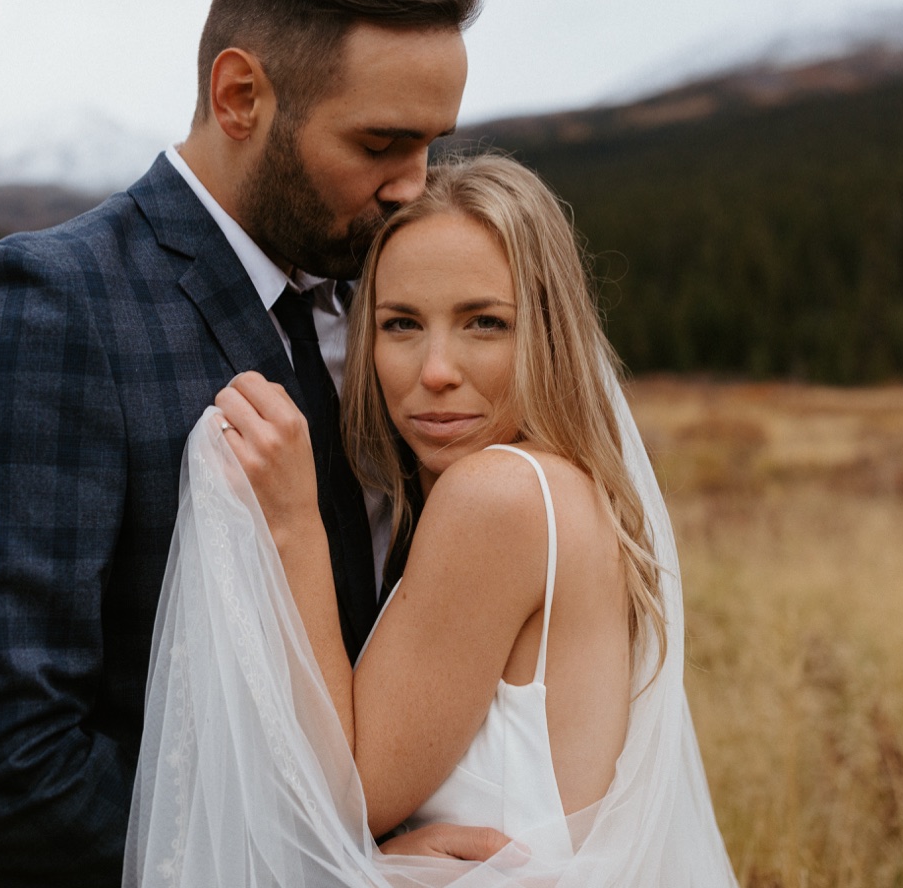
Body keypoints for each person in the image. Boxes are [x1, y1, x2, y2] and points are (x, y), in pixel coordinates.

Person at [0, 0, 503, 887]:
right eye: (382, 142)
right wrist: (321, 866)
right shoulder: (53, 304)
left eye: (433, 143)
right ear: (240, 96)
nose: (414, 186)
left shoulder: (395, 306)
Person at [124, 155, 739, 885]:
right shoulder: (566, 486)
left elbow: (348, 795)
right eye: (402, 324)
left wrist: (293, 522)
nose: (437, 368)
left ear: (547, 332)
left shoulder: (499, 496)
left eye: (484, 323)